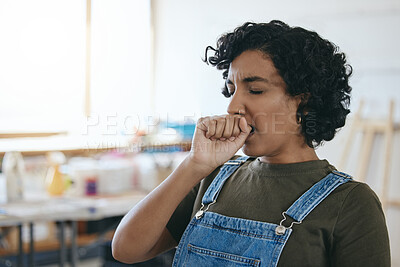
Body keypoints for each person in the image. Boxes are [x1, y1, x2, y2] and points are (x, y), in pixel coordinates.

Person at [112, 20, 390, 266]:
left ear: (303, 102)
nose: (233, 106)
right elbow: (126, 249)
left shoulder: (351, 203)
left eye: (255, 89)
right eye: (231, 91)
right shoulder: (213, 179)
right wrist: (193, 165)